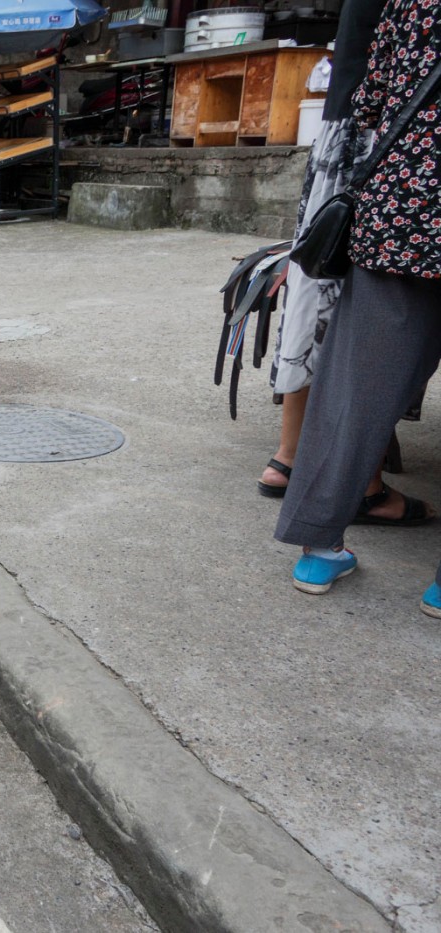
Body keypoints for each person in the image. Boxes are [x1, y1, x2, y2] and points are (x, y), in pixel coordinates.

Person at [275, 0, 441, 612]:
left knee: (355, 388)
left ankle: (319, 550)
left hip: (406, 208)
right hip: (406, 209)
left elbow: (368, 101)